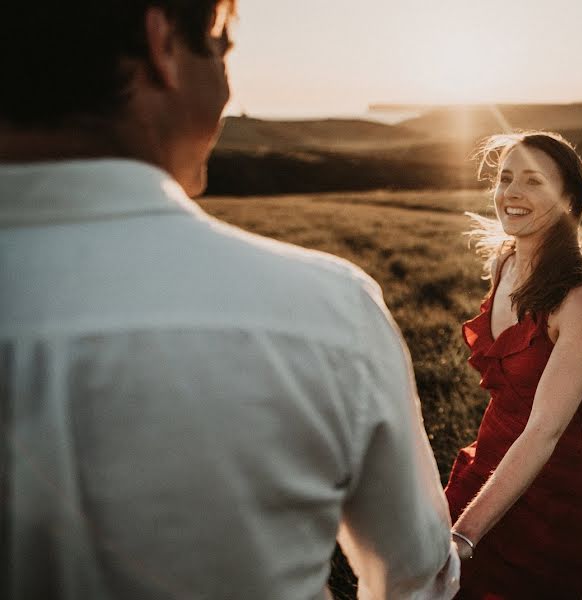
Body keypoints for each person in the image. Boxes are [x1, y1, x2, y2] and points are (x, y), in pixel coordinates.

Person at [0, 2, 458, 598]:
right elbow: (415, 580)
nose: (224, 78)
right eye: (220, 47)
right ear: (161, 39)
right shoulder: (328, 313)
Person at [444, 132, 582, 599]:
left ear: (568, 200)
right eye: (504, 178)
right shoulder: (505, 263)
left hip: (554, 491)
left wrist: (463, 534)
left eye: (533, 181)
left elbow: (543, 431)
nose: (510, 193)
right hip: (491, 459)